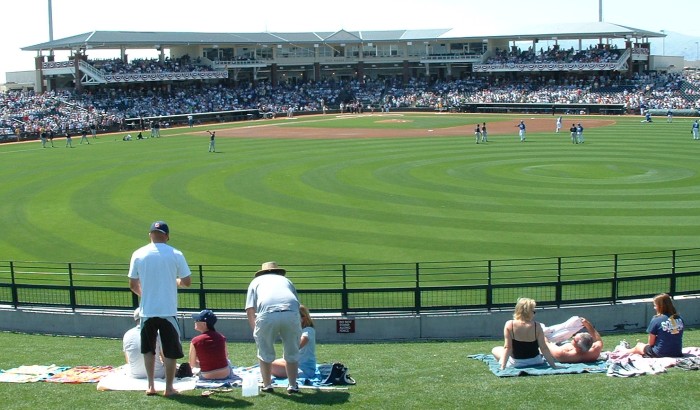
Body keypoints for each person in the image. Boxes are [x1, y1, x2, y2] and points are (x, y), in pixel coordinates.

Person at [128, 220, 192, 397]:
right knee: (170, 350)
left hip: (147, 310)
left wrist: (145, 294)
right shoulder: (175, 253)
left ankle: (150, 386)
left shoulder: (139, 254)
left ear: (150, 235)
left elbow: (132, 284)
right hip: (168, 310)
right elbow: (187, 281)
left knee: (148, 349)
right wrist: (176, 282)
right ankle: (169, 388)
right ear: (167, 236)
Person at [245, 261, 302, 394]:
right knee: (292, 351)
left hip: (267, 314)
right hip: (290, 313)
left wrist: (255, 330)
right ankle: (293, 385)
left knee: (264, 351)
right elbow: (297, 305)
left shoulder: (256, 282)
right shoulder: (286, 280)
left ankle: (267, 384)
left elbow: (250, 309)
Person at [491, 297, 559, 370]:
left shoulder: (509, 324)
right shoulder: (537, 326)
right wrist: (553, 366)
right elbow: (544, 348)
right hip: (536, 361)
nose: (534, 314)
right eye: (533, 311)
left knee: (495, 349)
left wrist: (503, 366)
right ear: (529, 312)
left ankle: (502, 362)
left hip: (516, 363)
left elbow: (508, 347)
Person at [617, 293, 684, 358]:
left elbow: (650, 343)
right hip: (677, 352)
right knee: (643, 346)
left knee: (639, 346)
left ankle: (623, 350)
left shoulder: (656, 320)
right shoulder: (679, 318)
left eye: (655, 305)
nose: (654, 308)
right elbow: (673, 336)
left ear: (660, 306)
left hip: (660, 353)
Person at [271, 305, 316, 379]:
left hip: (304, 369)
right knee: (268, 361)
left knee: (269, 365)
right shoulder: (295, 329)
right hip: (293, 362)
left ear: (303, 318)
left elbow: (298, 345)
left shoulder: (308, 330)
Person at [189, 309, 232, 380]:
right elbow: (226, 356)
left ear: (204, 324)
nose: (195, 322)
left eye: (197, 320)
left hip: (206, 375)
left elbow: (192, 364)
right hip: (225, 373)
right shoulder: (221, 337)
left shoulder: (195, 341)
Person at [123, 308, 165, 379]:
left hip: (135, 374)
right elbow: (165, 357)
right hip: (158, 374)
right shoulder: (157, 333)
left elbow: (128, 360)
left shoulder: (127, 334)